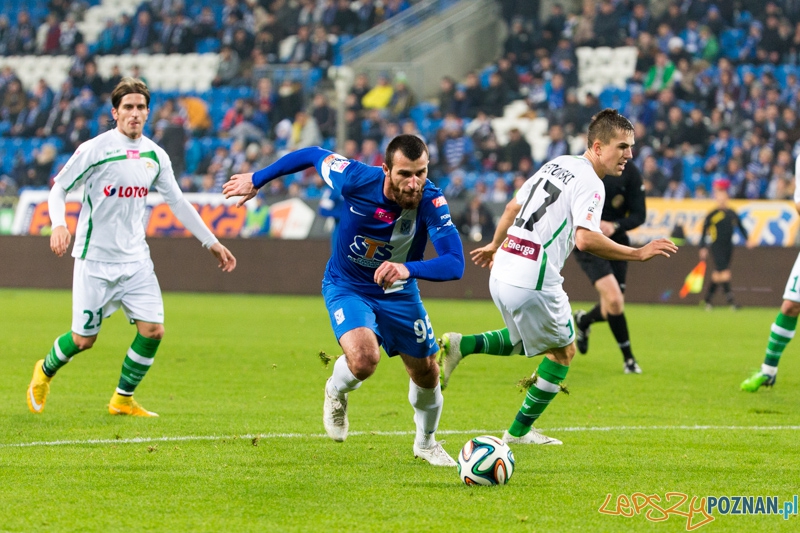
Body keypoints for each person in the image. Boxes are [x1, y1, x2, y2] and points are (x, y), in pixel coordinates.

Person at [437, 110, 677, 445]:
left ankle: (461, 345)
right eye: (622, 146)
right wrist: (637, 253)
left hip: (504, 269)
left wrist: (494, 245)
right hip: (534, 278)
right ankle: (518, 433)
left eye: (631, 147)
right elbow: (585, 239)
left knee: (524, 340)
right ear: (597, 146)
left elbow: (511, 207)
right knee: (563, 352)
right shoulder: (592, 183)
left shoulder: (557, 163)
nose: (630, 155)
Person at [223, 134, 465, 466]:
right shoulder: (354, 177)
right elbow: (311, 153)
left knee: (426, 373)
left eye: (421, 173)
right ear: (385, 170)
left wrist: (406, 269)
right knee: (365, 360)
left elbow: (455, 262)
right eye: (405, 174)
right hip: (347, 284)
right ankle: (336, 391)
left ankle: (425, 443)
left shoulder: (431, 202)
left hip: (399, 291)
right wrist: (257, 179)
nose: (414, 184)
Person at [27, 78, 237, 417]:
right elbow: (58, 189)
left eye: (141, 107)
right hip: (94, 259)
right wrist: (59, 224)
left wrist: (211, 241)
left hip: (136, 260)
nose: (135, 113)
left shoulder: (156, 154)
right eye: (128, 107)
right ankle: (44, 371)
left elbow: (179, 202)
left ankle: (122, 399)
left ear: (147, 113)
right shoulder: (94, 149)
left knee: (153, 330)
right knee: (83, 340)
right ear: (115, 112)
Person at [572, 160, 647, 374]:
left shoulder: (630, 171)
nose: (627, 152)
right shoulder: (582, 166)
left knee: (613, 306)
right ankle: (629, 360)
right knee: (615, 299)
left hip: (617, 241)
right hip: (587, 241)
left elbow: (639, 214)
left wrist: (615, 225)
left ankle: (584, 320)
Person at [700, 178, 751, 310]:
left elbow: (741, 227)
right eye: (719, 197)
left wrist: (748, 239)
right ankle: (732, 302)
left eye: (724, 197)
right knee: (725, 272)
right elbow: (703, 232)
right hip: (716, 246)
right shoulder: (712, 215)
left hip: (728, 246)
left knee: (718, 275)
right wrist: (703, 247)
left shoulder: (731, 213)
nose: (721, 199)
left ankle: (707, 300)